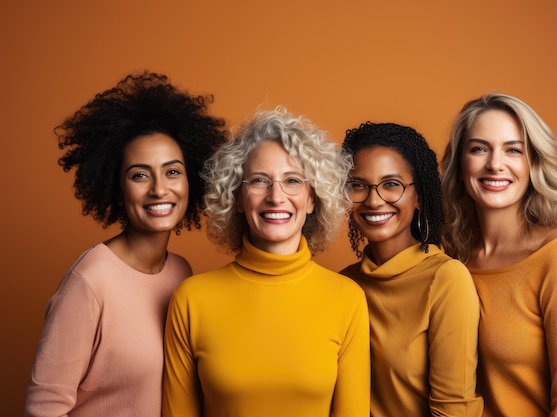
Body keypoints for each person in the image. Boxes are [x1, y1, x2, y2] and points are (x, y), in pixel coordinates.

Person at [23, 72, 226, 417]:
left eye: (173, 171)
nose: (159, 189)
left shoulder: (181, 272)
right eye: (140, 175)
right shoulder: (90, 281)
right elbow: (43, 408)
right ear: (117, 189)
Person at [162, 106, 371, 417]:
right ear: (237, 198)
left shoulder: (346, 298)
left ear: (313, 199)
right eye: (259, 181)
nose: (276, 196)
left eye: (293, 181)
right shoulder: (192, 299)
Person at [440, 93, 557, 417]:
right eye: (479, 149)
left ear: (533, 163)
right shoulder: (451, 260)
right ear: (461, 166)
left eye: (513, 149)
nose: (495, 164)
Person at [340, 122, 483, 417]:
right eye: (358, 185)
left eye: (391, 184)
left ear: (419, 196)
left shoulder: (445, 279)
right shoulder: (342, 285)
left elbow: (453, 411)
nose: (374, 200)